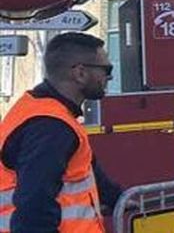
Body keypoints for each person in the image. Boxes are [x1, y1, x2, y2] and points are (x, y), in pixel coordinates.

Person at [0, 32, 123, 231]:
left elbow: (88, 172)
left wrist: (121, 199)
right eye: (106, 69)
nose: (109, 77)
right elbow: (34, 208)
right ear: (80, 73)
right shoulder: (50, 126)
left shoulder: (50, 113)